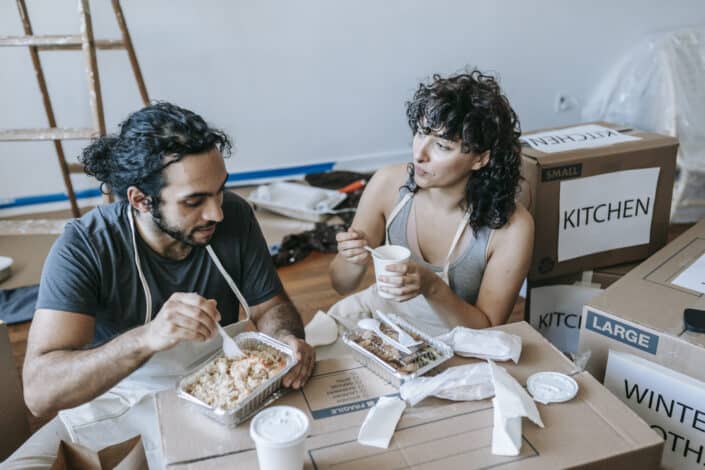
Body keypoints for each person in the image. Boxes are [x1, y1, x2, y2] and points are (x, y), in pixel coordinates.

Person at [10, 102, 314, 468]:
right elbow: (40, 393)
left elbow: (270, 308)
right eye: (193, 201)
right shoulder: (85, 246)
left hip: (219, 396)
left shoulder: (234, 216)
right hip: (114, 401)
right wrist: (146, 338)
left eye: (219, 190)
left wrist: (283, 341)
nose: (216, 212)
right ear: (140, 199)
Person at [329, 71, 533, 335]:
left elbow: (486, 329)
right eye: (421, 133)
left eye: (442, 146)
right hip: (378, 318)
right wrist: (352, 260)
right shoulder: (388, 184)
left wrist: (432, 287)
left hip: (454, 337)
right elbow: (340, 284)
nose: (419, 154)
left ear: (480, 159)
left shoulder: (512, 228)